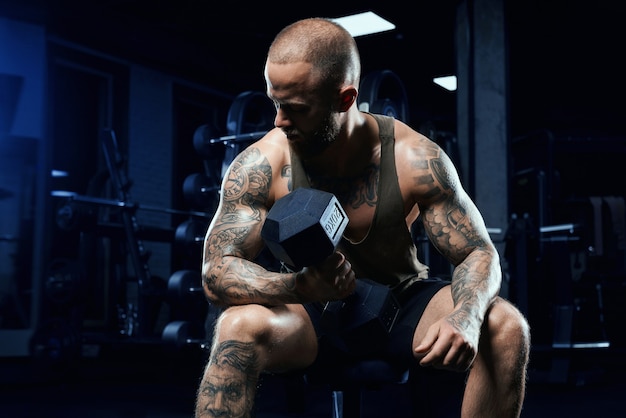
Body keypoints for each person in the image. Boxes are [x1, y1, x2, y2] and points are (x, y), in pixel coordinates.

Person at [195, 17, 530, 418]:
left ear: (345, 98)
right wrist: (300, 286)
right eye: (275, 103)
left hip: (401, 302)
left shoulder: (415, 158)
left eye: (295, 108)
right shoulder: (262, 164)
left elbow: (479, 253)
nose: (279, 121)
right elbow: (216, 271)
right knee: (235, 329)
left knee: (507, 328)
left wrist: (467, 315)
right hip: (309, 311)